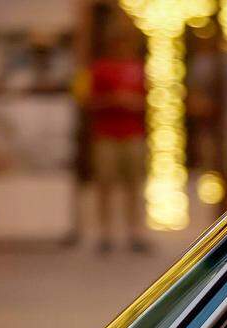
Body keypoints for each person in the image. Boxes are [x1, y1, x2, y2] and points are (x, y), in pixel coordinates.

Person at [85, 28, 149, 253]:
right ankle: (105, 232)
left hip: (132, 132)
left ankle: (136, 231)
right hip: (106, 134)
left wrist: (131, 102)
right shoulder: (99, 70)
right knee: (105, 184)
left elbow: (147, 100)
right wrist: (112, 100)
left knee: (135, 184)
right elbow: (89, 101)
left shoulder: (138, 69)